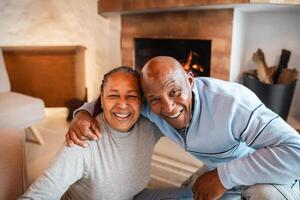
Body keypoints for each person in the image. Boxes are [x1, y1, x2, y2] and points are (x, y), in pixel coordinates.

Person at [67, 56, 300, 200]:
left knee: (264, 197)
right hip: (217, 166)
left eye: (175, 92)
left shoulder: (233, 104)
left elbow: (296, 152)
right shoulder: (149, 103)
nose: (168, 107)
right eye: (155, 99)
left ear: (190, 81)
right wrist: (83, 113)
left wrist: (223, 177)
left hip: (275, 173)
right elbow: (112, 98)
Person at [19, 66, 193, 200]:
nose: (122, 104)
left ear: (142, 101)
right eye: (113, 96)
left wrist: (220, 175)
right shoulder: (83, 140)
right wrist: (82, 114)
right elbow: (36, 196)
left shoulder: (149, 124)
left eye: (132, 96)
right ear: (101, 100)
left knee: (194, 195)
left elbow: (191, 113)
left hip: (135, 196)